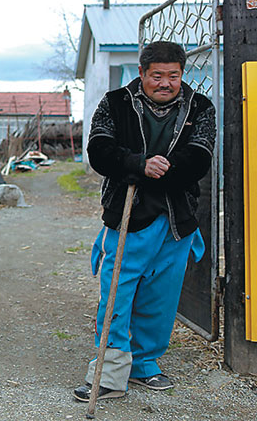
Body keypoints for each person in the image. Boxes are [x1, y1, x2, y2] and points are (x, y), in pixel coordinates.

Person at [73, 41, 216, 401]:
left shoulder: (200, 107)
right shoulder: (115, 103)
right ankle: (109, 372)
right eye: (157, 76)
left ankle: (143, 364)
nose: (165, 83)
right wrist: (139, 165)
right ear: (142, 73)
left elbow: (200, 157)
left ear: (182, 74)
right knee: (116, 295)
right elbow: (100, 151)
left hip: (176, 217)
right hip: (126, 216)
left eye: (173, 76)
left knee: (160, 297)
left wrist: (162, 169)